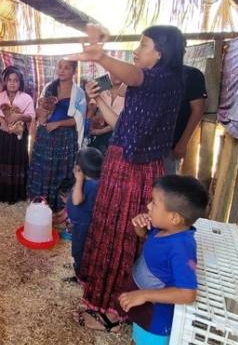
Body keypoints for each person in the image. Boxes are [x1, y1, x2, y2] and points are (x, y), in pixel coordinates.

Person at [72, 24, 186, 331]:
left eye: (143, 44)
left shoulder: (166, 78)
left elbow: (134, 75)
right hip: (121, 166)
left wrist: (102, 56)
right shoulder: (148, 87)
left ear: (160, 53)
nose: (136, 50)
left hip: (135, 172)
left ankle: (115, 310)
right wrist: (98, 102)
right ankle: (103, 295)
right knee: (109, 232)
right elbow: (123, 125)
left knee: (122, 236)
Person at [120, 175, 207, 344]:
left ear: (174, 217)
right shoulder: (165, 228)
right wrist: (140, 227)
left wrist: (143, 295)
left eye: (154, 203)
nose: (148, 206)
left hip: (156, 316)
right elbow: (146, 238)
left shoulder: (182, 248)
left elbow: (187, 294)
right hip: (142, 300)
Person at [27, 60, 86, 211]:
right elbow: (39, 110)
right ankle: (40, 204)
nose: (62, 70)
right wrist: (42, 115)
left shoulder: (78, 93)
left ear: (74, 71)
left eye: (67, 68)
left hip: (65, 138)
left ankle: (58, 208)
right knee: (42, 168)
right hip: (45, 135)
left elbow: (78, 120)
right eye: (60, 67)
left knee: (60, 169)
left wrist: (58, 124)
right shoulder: (49, 87)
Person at [0, 66, 35, 203]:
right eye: (9, 80)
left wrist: (18, 116)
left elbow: (31, 116)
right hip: (0, 133)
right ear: (5, 82)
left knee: (16, 160)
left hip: (17, 136)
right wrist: (3, 121)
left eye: (16, 80)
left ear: (20, 83)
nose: (12, 83)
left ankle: (14, 193)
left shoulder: (26, 98)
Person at [66, 147, 103, 281]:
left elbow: (77, 201)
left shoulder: (90, 184)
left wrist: (79, 179)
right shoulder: (94, 182)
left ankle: (80, 276)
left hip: (82, 225)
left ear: (80, 169)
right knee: (79, 248)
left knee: (78, 250)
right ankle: (78, 266)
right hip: (79, 223)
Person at [165, 65, 207, 174]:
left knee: (165, 185)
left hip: (170, 146)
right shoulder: (148, 72)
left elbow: (198, 109)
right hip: (145, 145)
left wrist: (182, 144)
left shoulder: (191, 74)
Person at [87, 74, 126, 154]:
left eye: (118, 71)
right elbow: (92, 106)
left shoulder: (129, 90)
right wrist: (88, 122)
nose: (116, 75)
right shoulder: (101, 85)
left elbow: (123, 120)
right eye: (113, 71)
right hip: (97, 132)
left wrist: (101, 131)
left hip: (117, 134)